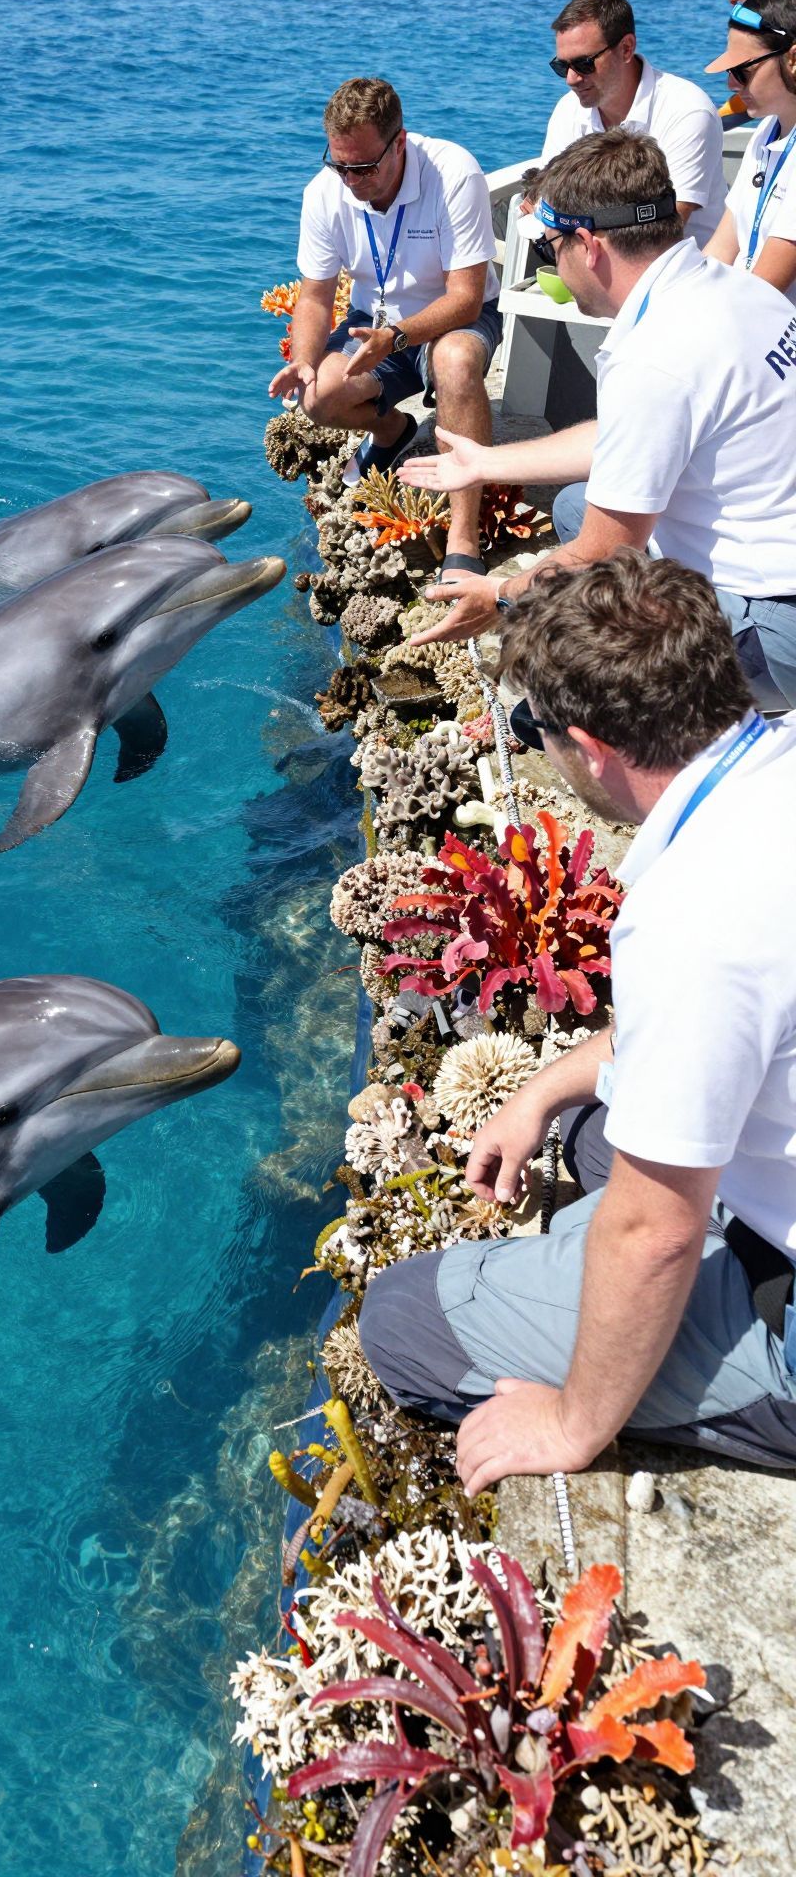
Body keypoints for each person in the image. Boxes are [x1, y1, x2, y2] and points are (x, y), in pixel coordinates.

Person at [359, 551, 796, 1492]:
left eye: (536, 729)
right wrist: (537, 1091)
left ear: (588, 747)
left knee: (402, 1320)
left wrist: (571, 1421)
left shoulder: (694, 915)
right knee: (594, 1134)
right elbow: (721, 1029)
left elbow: (654, 1234)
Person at [399, 128, 796, 711]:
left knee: (564, 629)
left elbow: (606, 551)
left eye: (548, 248)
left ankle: (671, 740)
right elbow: (633, 435)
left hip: (773, 625)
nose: (549, 259)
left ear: (587, 245)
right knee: (571, 506)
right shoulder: (738, 291)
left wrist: (501, 595)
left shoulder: (655, 356)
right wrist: (487, 460)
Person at [267, 76, 500, 572]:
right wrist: (305, 363)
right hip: (374, 324)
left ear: (400, 142)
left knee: (455, 362)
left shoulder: (453, 171)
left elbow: (465, 297)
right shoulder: (325, 191)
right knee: (318, 397)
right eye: (340, 164)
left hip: (454, 319)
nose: (350, 180)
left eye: (364, 167)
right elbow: (314, 296)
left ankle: (463, 538)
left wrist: (396, 338)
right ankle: (394, 431)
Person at [538, 0, 725, 244]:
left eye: (584, 64)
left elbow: (666, 230)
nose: (571, 78)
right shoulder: (567, 109)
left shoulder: (687, 111)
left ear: (626, 48)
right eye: (561, 66)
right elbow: (547, 202)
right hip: (590, 263)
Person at [704, 0, 796, 306]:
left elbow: (763, 293)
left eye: (742, 70)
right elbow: (719, 251)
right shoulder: (766, 132)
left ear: (793, 59)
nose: (731, 84)